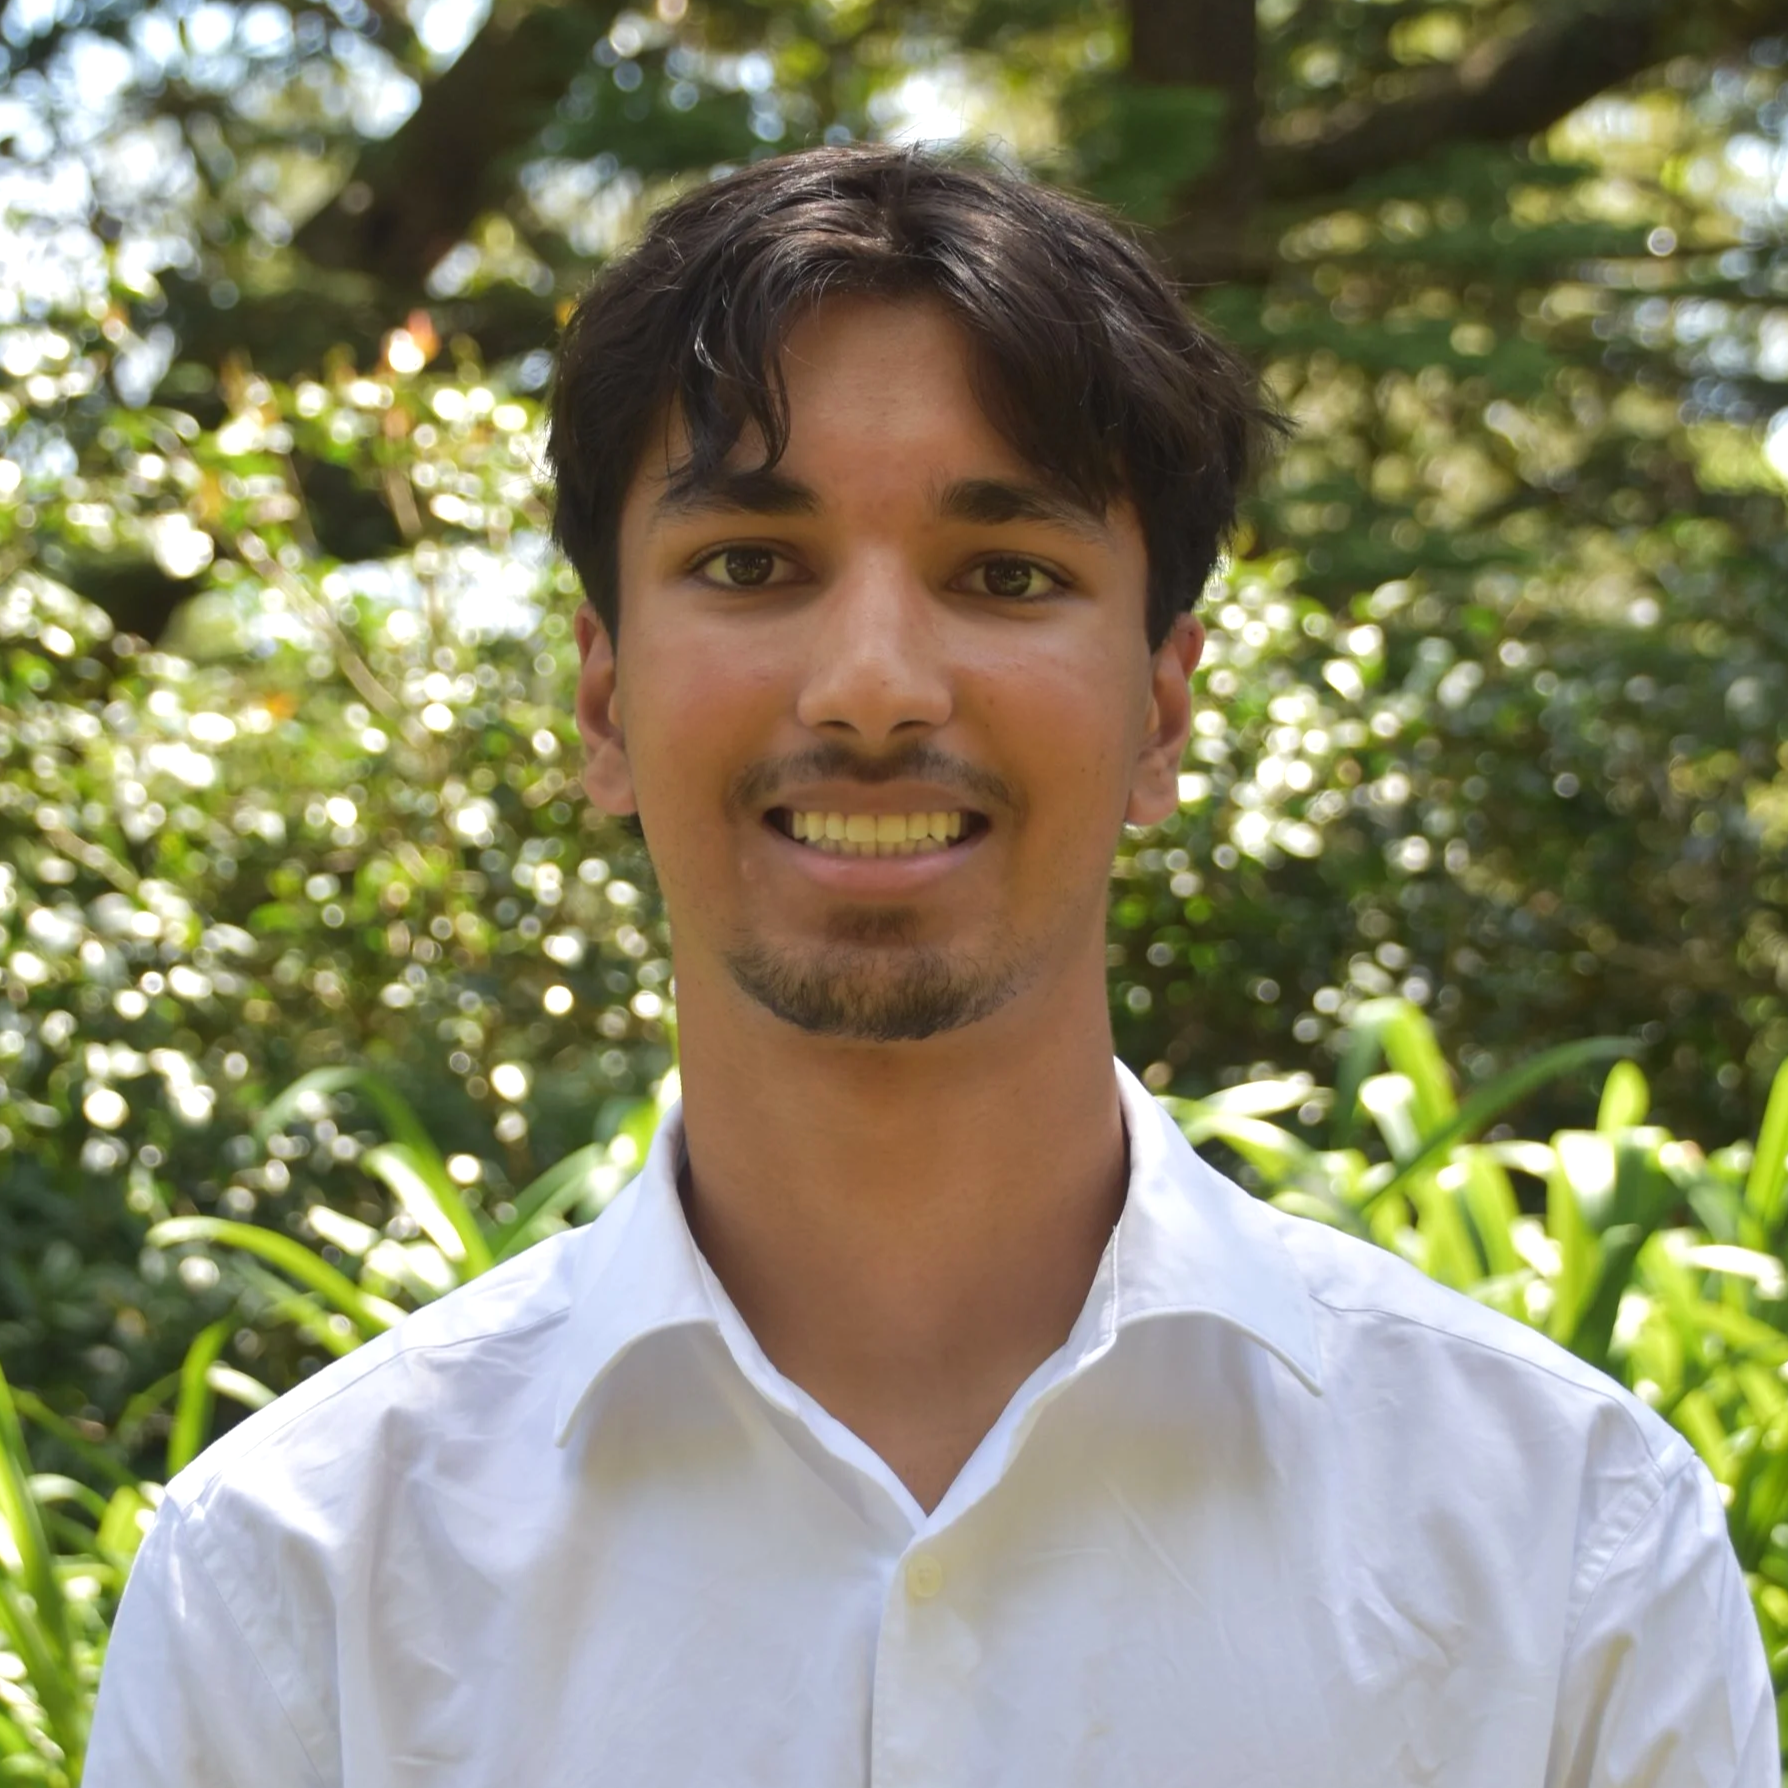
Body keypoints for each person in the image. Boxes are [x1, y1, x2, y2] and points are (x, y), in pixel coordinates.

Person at [88, 145, 1772, 1787]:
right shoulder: (297, 1582)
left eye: (1006, 574)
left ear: (1162, 713)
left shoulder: (1566, 1555)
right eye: (752, 564)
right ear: (602, 702)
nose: (875, 685)